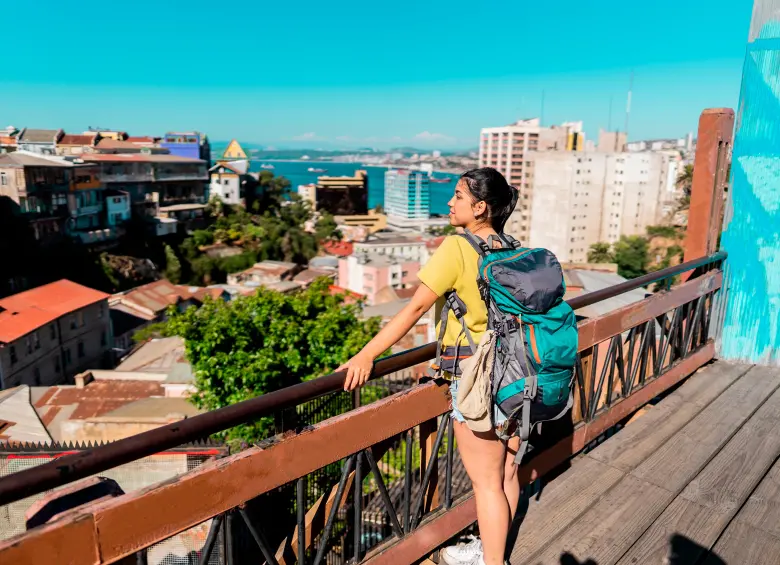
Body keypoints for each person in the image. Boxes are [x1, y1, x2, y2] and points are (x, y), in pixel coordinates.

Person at [338, 167, 520, 565]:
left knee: (486, 483)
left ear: (480, 206)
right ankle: (494, 549)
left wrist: (367, 354)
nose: (450, 203)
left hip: (475, 377)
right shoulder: (511, 246)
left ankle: (493, 562)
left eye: (457, 196)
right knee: (506, 471)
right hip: (516, 371)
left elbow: (416, 306)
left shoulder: (458, 247)